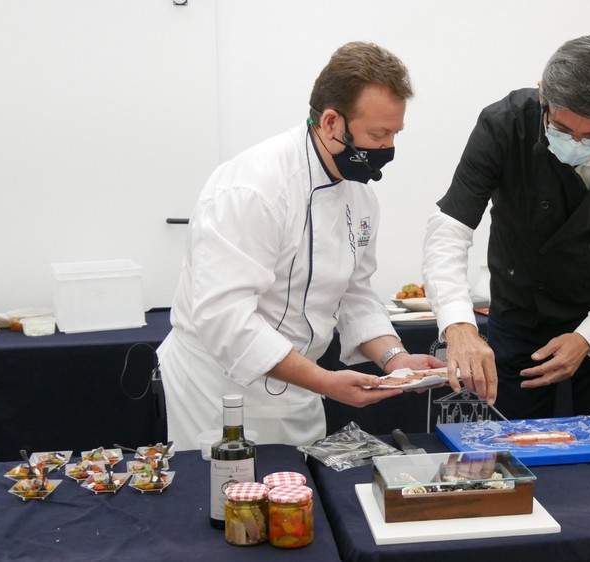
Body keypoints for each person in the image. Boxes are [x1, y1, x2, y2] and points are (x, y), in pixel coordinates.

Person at [157, 42, 444, 451]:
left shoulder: (360, 197)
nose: (386, 149)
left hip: (299, 388)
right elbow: (224, 317)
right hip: (217, 391)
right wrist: (325, 381)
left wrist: (396, 360)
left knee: (296, 503)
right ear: (331, 122)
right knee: (226, 507)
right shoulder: (253, 188)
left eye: (394, 134)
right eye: (378, 135)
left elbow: (354, 295)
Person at [422, 36, 590, 422]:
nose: (575, 142)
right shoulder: (502, 126)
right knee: (515, 448)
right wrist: (458, 326)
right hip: (522, 314)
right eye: (562, 126)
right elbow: (450, 228)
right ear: (543, 94)